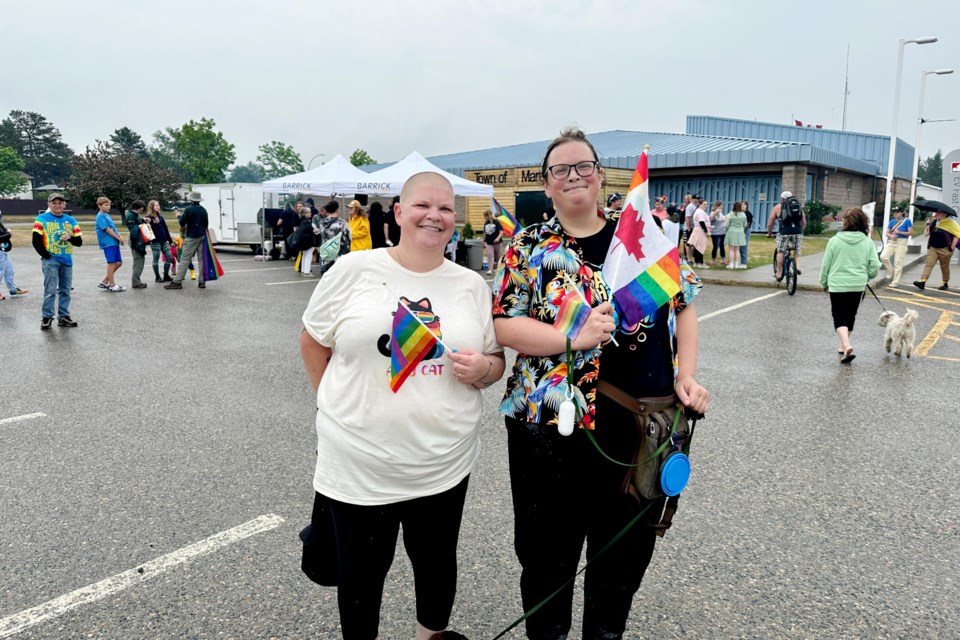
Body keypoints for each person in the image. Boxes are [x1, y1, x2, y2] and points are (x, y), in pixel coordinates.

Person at [491, 127, 708, 640]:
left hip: (637, 425)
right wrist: (574, 338)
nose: (573, 176)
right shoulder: (528, 247)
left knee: (622, 557)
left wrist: (687, 375)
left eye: (582, 166)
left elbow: (687, 304)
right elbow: (504, 324)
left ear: (599, 176)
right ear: (547, 185)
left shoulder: (642, 236)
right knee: (546, 556)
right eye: (560, 170)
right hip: (546, 428)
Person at [299, 171, 505, 640]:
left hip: (444, 462)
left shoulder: (472, 285)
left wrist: (485, 371)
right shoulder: (354, 270)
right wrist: (336, 408)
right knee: (361, 577)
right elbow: (312, 343)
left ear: (455, 219)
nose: (435, 215)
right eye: (422, 205)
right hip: (360, 464)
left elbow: (495, 361)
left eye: (446, 208)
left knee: (436, 564)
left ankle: (428, 637)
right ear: (398, 212)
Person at [819, 207, 880, 364]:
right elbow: (874, 265)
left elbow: (826, 264)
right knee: (850, 315)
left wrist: (823, 282)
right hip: (857, 284)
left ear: (846, 223)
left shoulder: (834, 241)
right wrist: (867, 276)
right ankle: (842, 346)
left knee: (838, 315)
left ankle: (846, 344)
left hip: (837, 283)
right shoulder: (867, 242)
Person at [32, 193, 83, 329]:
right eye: (54, 203)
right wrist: (46, 255)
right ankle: (47, 317)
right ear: (49, 204)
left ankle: (64, 316)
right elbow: (36, 241)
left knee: (65, 290)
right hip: (51, 259)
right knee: (50, 289)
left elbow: (79, 242)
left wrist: (71, 237)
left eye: (60, 203)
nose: (57, 205)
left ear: (64, 205)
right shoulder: (41, 219)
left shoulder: (71, 221)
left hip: (66, 260)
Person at [164, 191, 209, 290]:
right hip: (202, 236)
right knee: (201, 259)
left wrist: (178, 215)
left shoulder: (188, 209)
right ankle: (202, 281)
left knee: (184, 259)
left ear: (191, 199)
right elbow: (206, 225)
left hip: (192, 237)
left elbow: (182, 223)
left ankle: (177, 281)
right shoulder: (203, 210)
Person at [913, 204, 959, 291]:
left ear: (945, 214)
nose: (938, 213)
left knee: (944, 267)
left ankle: (944, 283)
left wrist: (952, 247)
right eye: (938, 211)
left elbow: (957, 235)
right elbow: (926, 234)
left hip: (945, 249)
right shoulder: (934, 222)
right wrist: (927, 225)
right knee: (929, 264)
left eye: (940, 212)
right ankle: (922, 282)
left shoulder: (951, 223)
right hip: (933, 247)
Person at [767, 190, 806, 281]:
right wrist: (801, 232)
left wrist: (769, 233)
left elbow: (770, 224)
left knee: (780, 251)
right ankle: (798, 267)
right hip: (797, 232)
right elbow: (804, 223)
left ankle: (779, 273)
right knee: (797, 251)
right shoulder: (798, 206)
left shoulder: (777, 207)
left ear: (782, 198)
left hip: (784, 232)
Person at [94, 196, 126, 292]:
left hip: (114, 241)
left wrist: (119, 237)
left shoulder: (107, 215)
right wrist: (118, 238)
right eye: (105, 205)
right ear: (100, 205)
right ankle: (111, 284)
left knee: (119, 263)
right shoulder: (100, 216)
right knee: (111, 262)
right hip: (108, 242)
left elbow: (113, 228)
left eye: (109, 205)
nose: (108, 207)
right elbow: (108, 230)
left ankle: (104, 281)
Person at [315, 200, 351, 276]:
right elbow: (350, 238)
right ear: (337, 210)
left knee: (328, 279)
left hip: (327, 254)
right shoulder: (343, 223)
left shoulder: (322, 223)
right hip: (341, 255)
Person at [879, 205, 912, 287]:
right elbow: (887, 232)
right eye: (894, 211)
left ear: (902, 212)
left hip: (902, 243)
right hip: (892, 242)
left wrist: (899, 232)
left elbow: (910, 233)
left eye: (897, 211)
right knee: (883, 256)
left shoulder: (907, 221)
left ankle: (895, 281)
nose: (895, 213)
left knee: (898, 262)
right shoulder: (892, 222)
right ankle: (890, 271)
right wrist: (891, 236)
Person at [0, 209, 28, 301]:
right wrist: (8, 235)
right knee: (0, 271)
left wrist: (7, 233)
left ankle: (12, 289)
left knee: (9, 270)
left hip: (3, 251)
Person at [145, 200, 175, 283]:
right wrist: (153, 223)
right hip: (155, 241)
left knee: (169, 257)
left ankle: (166, 275)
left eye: (158, 205)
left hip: (164, 240)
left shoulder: (160, 217)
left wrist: (170, 240)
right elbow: (147, 229)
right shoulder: (148, 217)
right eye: (156, 205)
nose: (158, 207)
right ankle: (157, 277)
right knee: (156, 258)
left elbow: (165, 229)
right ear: (152, 207)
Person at [123, 200, 148, 289]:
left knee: (140, 260)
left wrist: (143, 220)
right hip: (135, 240)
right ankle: (136, 282)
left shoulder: (134, 215)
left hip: (138, 239)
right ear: (135, 208)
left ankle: (136, 281)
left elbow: (138, 221)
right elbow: (133, 230)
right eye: (141, 210)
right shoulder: (130, 216)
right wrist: (144, 226)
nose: (141, 212)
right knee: (138, 261)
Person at [293, 205, 317, 277]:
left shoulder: (302, 221)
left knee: (304, 255)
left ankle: (304, 270)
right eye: (309, 212)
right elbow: (309, 231)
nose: (310, 213)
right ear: (305, 213)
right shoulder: (306, 222)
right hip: (307, 241)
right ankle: (307, 272)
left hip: (303, 241)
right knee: (308, 255)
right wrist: (314, 230)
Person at [723, 201, 748, 269]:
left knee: (731, 249)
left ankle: (731, 264)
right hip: (740, 232)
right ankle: (736, 264)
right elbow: (745, 224)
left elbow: (726, 225)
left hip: (731, 231)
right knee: (737, 249)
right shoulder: (743, 215)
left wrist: (726, 230)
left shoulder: (730, 214)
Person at [687, 199, 710, 268]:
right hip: (700, 230)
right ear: (699, 204)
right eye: (704, 204)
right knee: (700, 247)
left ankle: (697, 262)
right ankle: (700, 263)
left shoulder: (699, 211)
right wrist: (706, 231)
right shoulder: (700, 212)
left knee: (697, 247)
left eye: (706, 204)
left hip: (698, 230)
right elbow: (701, 222)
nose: (706, 205)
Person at [482, 208, 503, 275]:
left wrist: (498, 238)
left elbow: (501, 231)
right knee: (490, 254)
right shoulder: (486, 223)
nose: (485, 217)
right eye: (485, 216)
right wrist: (483, 241)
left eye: (486, 216)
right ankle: (490, 269)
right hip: (489, 242)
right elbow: (485, 233)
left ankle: (499, 269)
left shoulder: (496, 222)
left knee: (498, 256)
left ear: (490, 215)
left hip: (497, 242)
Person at [709, 200, 726, 265]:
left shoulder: (721, 213)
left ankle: (723, 260)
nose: (721, 208)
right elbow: (710, 219)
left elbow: (723, 219)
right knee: (715, 246)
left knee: (722, 246)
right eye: (720, 207)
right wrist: (715, 213)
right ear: (716, 206)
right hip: (715, 233)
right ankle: (713, 260)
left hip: (722, 232)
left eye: (722, 207)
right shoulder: (712, 212)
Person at [740, 200, 754, 267]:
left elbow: (748, 224)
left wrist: (743, 232)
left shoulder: (747, 213)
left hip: (746, 230)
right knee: (740, 246)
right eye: (741, 205)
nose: (742, 206)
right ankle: (743, 260)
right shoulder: (740, 213)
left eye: (744, 205)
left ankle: (744, 262)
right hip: (741, 230)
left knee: (743, 246)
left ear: (746, 206)